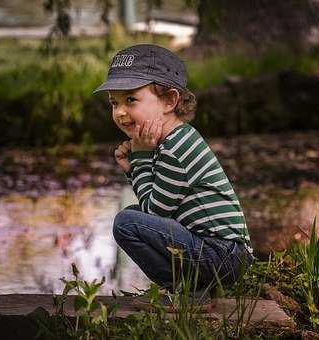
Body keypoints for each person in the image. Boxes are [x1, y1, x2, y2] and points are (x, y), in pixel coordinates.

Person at [93, 44, 253, 307]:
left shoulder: (176, 148)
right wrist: (136, 167)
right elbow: (156, 202)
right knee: (134, 216)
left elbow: (155, 212)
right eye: (114, 102)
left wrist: (140, 159)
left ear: (169, 101)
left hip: (222, 254)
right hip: (220, 252)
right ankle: (192, 292)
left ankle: (185, 293)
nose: (120, 112)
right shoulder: (170, 141)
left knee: (126, 222)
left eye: (130, 100)